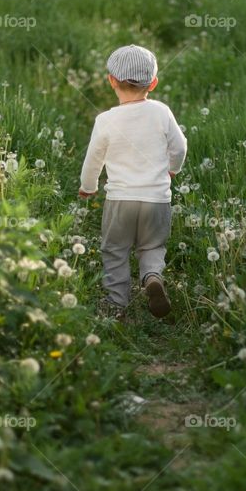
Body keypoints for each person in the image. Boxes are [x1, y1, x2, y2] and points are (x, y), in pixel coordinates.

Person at [78, 44, 187, 320]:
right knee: (152, 246)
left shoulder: (105, 120)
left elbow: (93, 160)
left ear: (111, 81)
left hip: (120, 200)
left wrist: (88, 186)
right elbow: (180, 146)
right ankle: (152, 276)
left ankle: (117, 304)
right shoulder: (162, 112)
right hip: (156, 200)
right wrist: (173, 169)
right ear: (153, 82)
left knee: (115, 250)